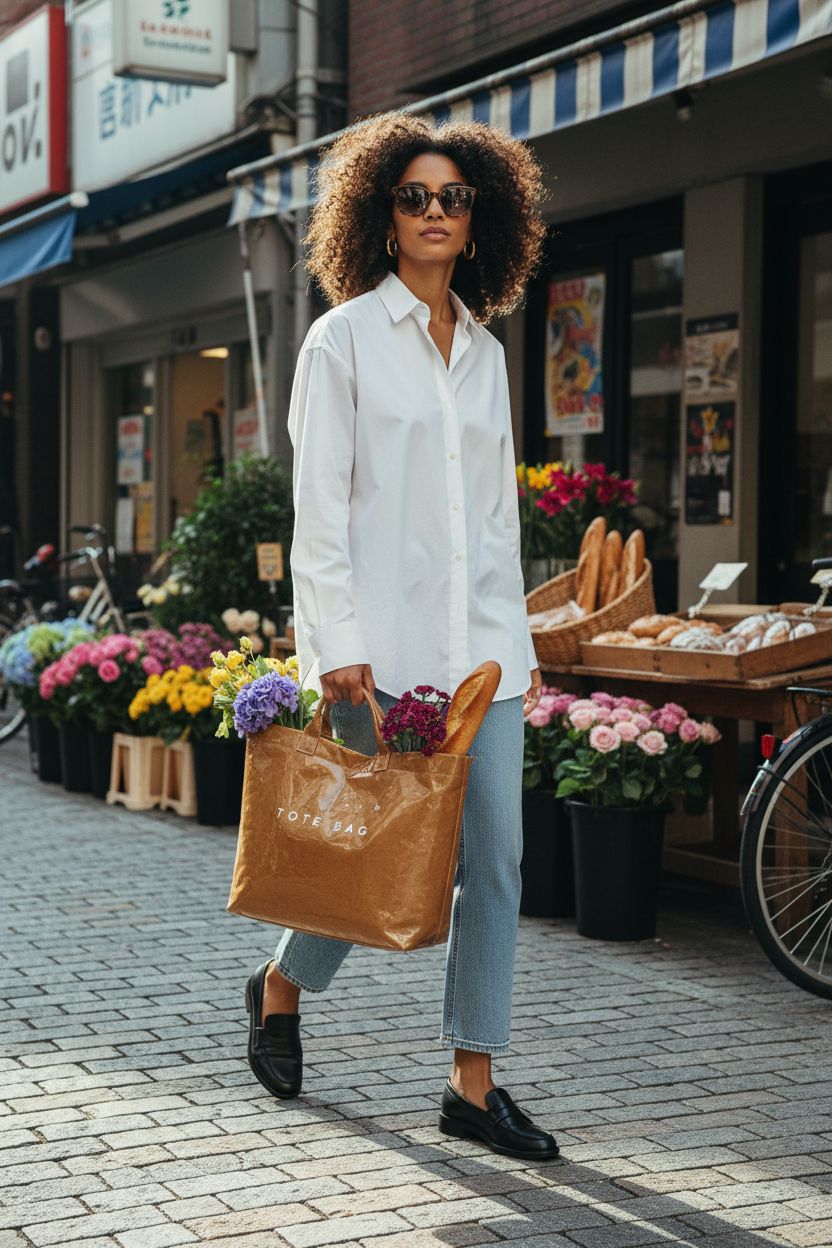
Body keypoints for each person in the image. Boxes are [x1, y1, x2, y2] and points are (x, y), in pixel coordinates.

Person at [244, 112, 558, 1161]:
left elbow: (495, 519)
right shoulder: (341, 341)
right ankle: (282, 986)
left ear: (479, 225)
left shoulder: (483, 353)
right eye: (414, 197)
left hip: (483, 657)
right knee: (373, 858)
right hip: (375, 653)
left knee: (497, 862)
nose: (434, 212)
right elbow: (318, 510)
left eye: (452, 199)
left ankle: (472, 1080)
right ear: (383, 218)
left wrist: (517, 637)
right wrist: (332, 646)